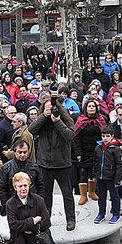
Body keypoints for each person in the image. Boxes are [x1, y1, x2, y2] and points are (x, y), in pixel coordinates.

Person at [28, 95, 77, 231]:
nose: (51, 111)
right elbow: (31, 130)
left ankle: (71, 219)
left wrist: (58, 121)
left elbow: (70, 136)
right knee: (45, 196)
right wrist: (44, 116)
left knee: (67, 194)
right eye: (48, 108)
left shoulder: (66, 120)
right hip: (45, 165)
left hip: (62, 164)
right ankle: (46, 219)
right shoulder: (42, 121)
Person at [93, 132, 122, 224]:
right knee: (101, 196)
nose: (105, 138)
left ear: (112, 136)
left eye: (107, 136)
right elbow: (95, 162)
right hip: (100, 177)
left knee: (114, 196)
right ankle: (101, 214)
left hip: (111, 177)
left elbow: (119, 165)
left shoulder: (116, 149)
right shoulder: (98, 148)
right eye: (103, 136)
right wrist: (94, 174)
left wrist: (117, 178)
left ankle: (116, 214)